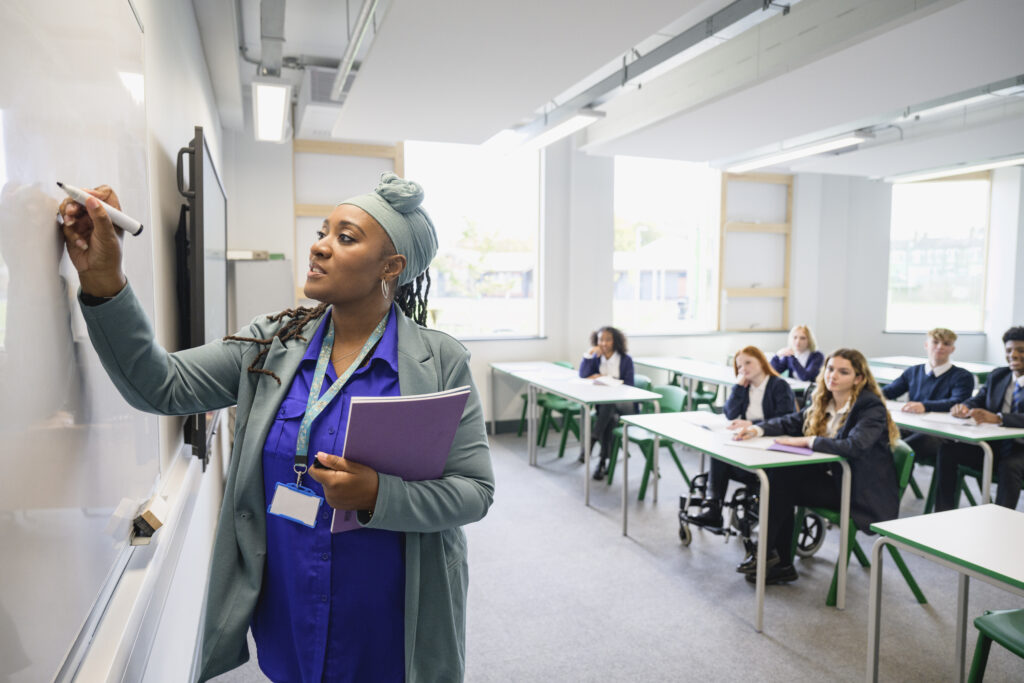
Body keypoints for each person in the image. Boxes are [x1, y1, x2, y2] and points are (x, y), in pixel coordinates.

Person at [58, 176, 494, 682]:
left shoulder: (438, 361)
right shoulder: (271, 344)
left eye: (345, 238)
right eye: (322, 232)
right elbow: (160, 386)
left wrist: (379, 494)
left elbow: (474, 492)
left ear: (391, 267)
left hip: (390, 617)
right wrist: (104, 280)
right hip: (293, 604)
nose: (320, 246)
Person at [732, 349, 900, 584]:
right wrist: (757, 429)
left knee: (780, 482)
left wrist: (807, 441)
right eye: (830, 369)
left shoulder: (870, 407)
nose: (833, 376)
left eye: (843, 372)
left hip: (857, 489)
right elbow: (792, 421)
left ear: (859, 378)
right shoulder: (825, 399)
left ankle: (771, 556)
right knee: (778, 477)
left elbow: (854, 446)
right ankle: (773, 558)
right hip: (833, 479)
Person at [690, 346, 797, 528]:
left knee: (724, 453)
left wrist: (752, 424)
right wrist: (738, 388)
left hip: (772, 447)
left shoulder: (778, 386)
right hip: (750, 443)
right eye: (739, 366)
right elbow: (730, 413)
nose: (743, 369)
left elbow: (786, 419)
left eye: (748, 362)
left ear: (761, 362)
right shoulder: (746, 387)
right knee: (719, 452)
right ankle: (713, 508)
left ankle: (717, 506)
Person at [932, 326, 1024, 512]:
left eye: (1020, 350)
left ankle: (1000, 523)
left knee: (1009, 466)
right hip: (996, 445)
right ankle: (943, 513)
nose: (1013, 355)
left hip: (1020, 451)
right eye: (1008, 350)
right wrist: (965, 406)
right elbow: (979, 399)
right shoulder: (999, 375)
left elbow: (1000, 418)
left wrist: (999, 418)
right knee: (948, 451)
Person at [881, 327, 974, 471]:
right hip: (912, 426)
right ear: (926, 345)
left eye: (946, 344)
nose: (940, 347)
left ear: (952, 349)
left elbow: (957, 401)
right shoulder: (913, 371)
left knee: (903, 450)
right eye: (935, 342)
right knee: (880, 440)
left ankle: (892, 492)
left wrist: (925, 405)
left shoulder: (963, 376)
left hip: (940, 433)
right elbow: (890, 391)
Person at [577, 326, 634, 481]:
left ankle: (593, 439)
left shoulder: (625, 359)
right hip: (606, 408)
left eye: (608, 339)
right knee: (610, 419)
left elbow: (629, 384)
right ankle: (602, 462)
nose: (604, 343)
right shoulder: (597, 357)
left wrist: (609, 380)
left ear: (615, 341)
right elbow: (583, 374)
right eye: (601, 339)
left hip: (625, 405)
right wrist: (588, 355)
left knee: (609, 407)